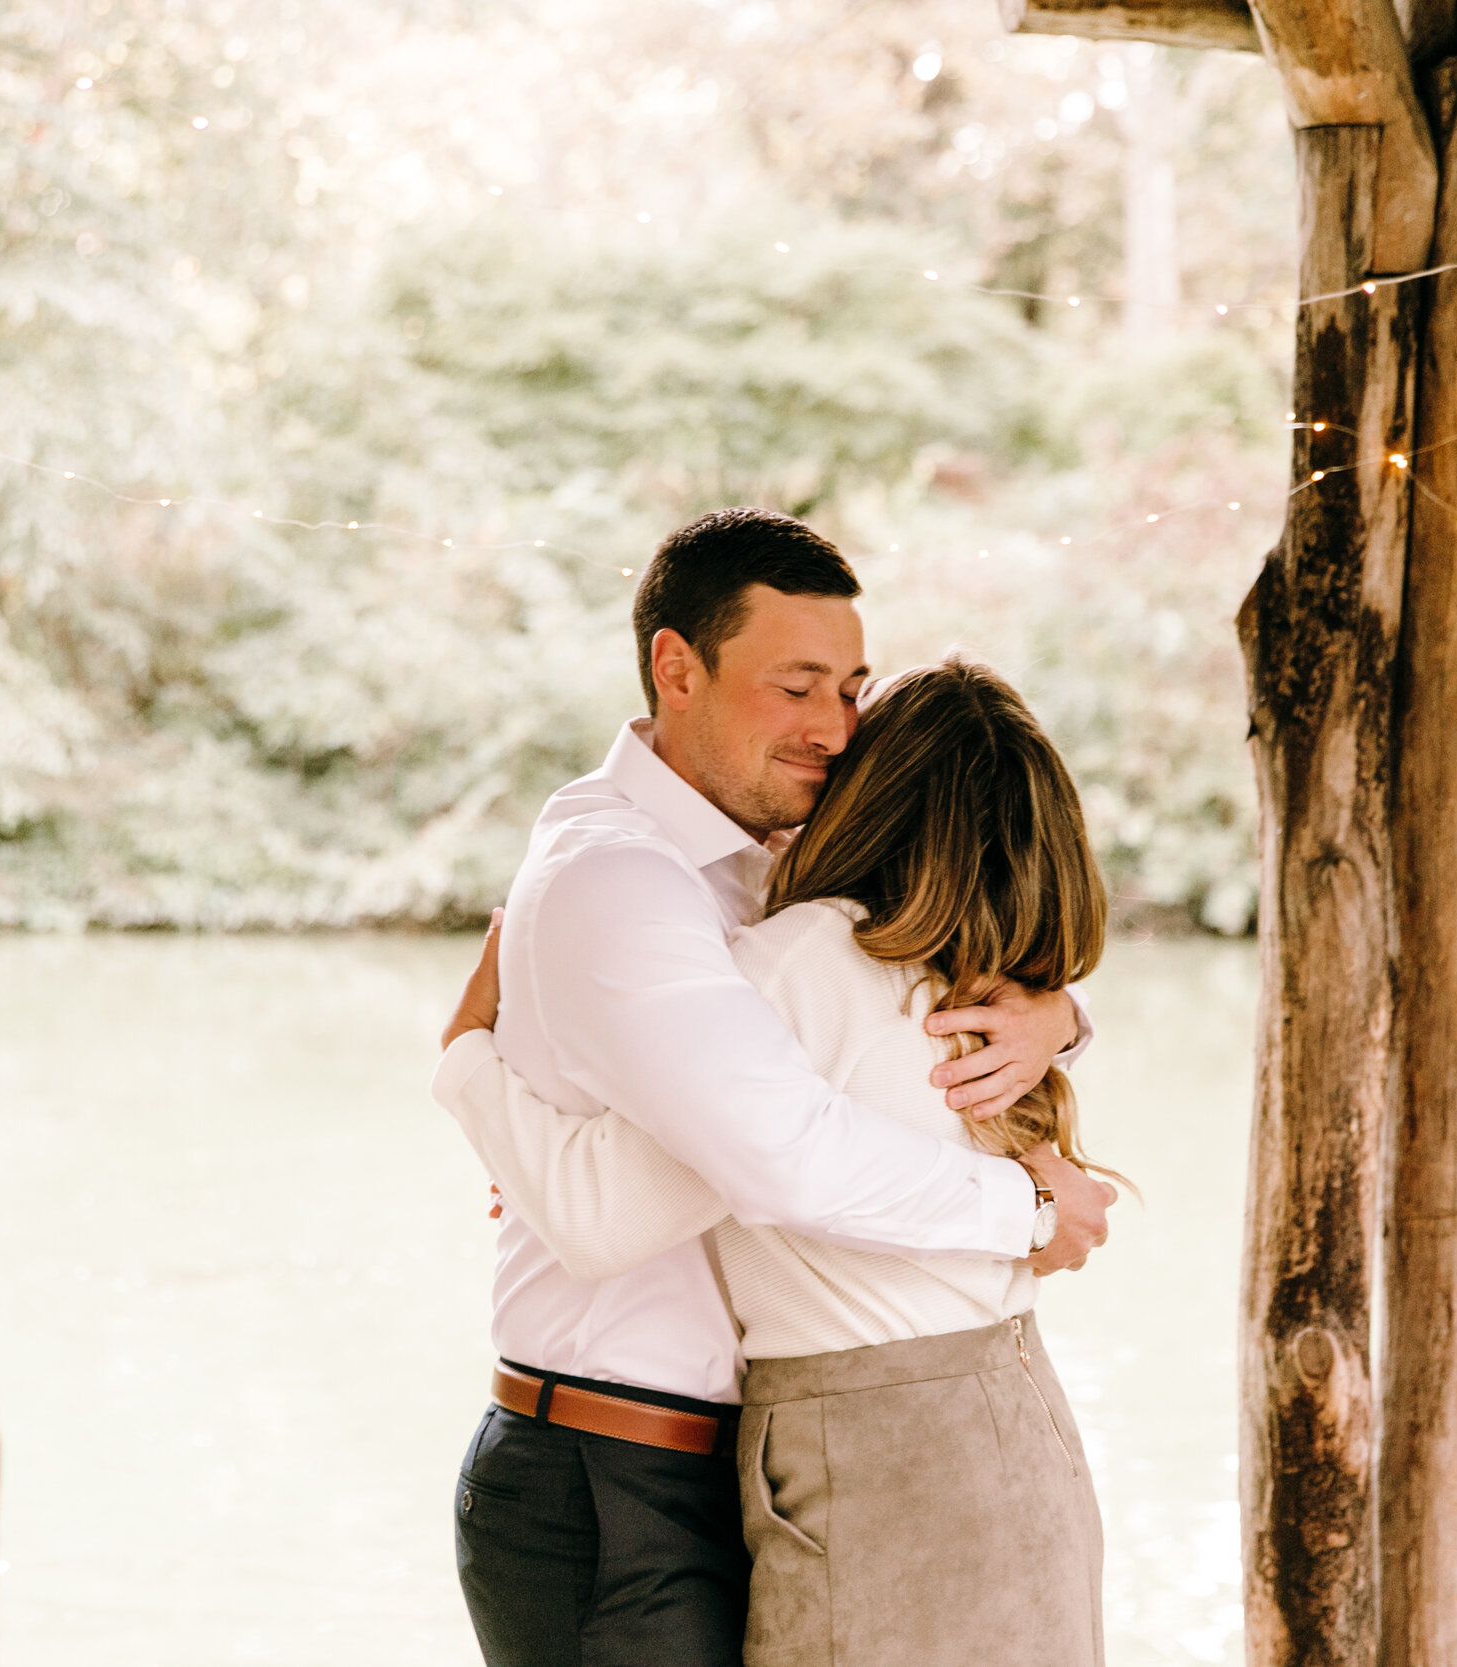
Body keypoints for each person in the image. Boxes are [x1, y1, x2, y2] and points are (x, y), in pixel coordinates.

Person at [427, 508, 1114, 1667]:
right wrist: (464, 1068)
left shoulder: (772, 883)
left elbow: (911, 991)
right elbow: (766, 1157)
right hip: (614, 1469)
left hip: (760, 1452)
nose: (834, 728)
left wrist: (1060, 1018)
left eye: (850, 689)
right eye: (797, 687)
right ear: (675, 667)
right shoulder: (628, 881)